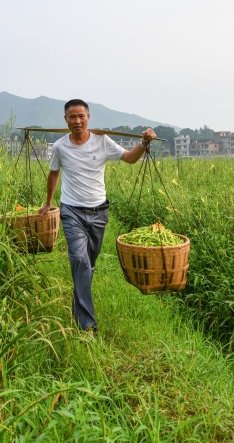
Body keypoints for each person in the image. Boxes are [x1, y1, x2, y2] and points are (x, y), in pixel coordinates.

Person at [38, 98, 156, 333]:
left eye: (81, 116)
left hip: (98, 212)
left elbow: (130, 158)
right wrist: (49, 202)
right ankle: (86, 326)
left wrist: (143, 143)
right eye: (72, 117)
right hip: (71, 211)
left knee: (88, 266)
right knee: (79, 260)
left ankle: (78, 307)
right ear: (66, 120)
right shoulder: (60, 147)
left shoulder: (102, 141)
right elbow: (53, 174)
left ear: (88, 118)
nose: (77, 121)